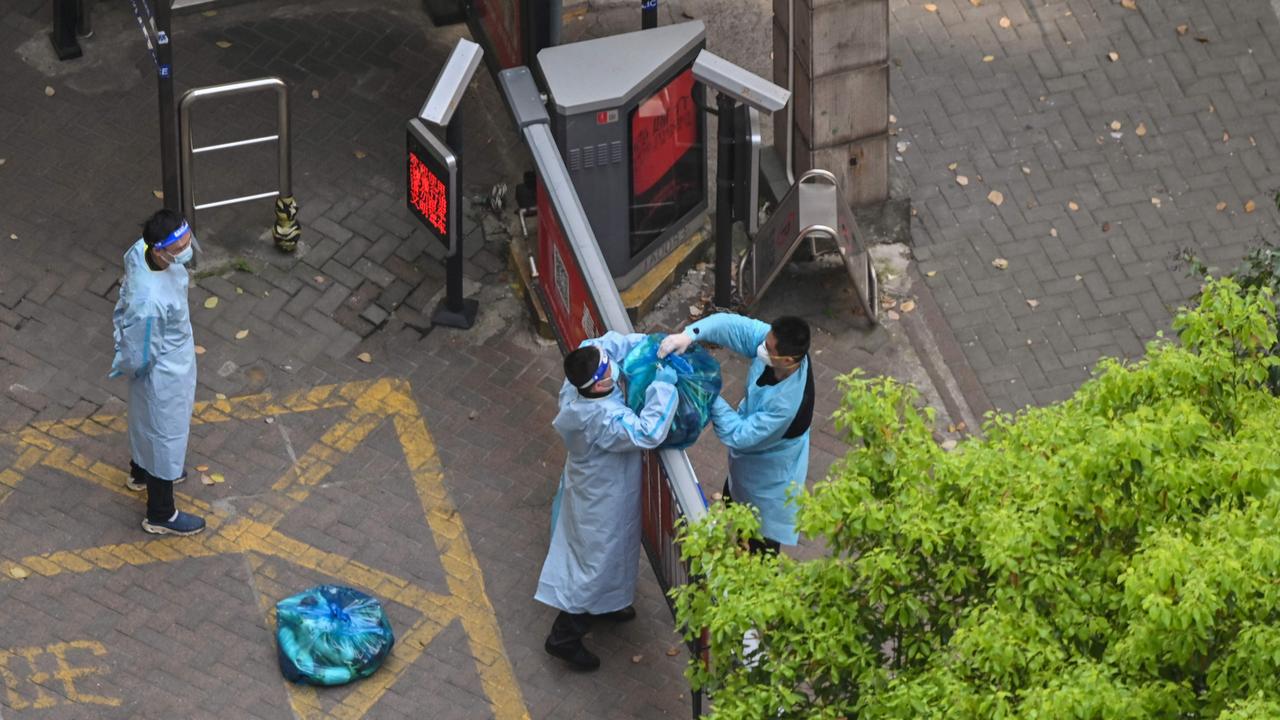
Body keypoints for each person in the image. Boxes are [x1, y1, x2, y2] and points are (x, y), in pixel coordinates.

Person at [536, 332, 679, 671]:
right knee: (595, 565)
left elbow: (603, 344)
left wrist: (649, 342)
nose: (613, 368)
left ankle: (609, 603)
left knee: (612, 554)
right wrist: (664, 384)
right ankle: (565, 636)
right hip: (604, 498)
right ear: (600, 386)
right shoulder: (604, 418)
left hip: (594, 489)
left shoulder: (576, 387)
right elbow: (648, 431)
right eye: (608, 371)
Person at [659, 314, 813, 553]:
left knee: (758, 546)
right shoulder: (775, 346)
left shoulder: (787, 405)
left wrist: (705, 390)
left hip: (770, 482)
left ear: (788, 360)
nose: (762, 347)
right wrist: (689, 335)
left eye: (769, 348)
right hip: (747, 467)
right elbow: (733, 326)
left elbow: (738, 434)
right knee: (734, 502)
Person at [109, 209, 206, 536]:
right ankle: (161, 513)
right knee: (165, 434)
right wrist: (136, 369)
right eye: (179, 248)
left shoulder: (142, 251)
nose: (186, 249)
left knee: (144, 422)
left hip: (166, 362)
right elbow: (139, 352)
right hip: (164, 371)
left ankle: (139, 473)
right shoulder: (150, 300)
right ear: (161, 250)